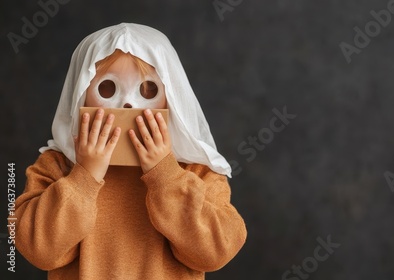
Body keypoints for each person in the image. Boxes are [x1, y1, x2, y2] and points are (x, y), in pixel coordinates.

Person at [15, 23, 247, 280]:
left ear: (170, 98)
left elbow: (215, 252)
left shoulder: (194, 168)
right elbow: (38, 251)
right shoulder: (58, 164)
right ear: (81, 96)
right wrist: (84, 176)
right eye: (107, 88)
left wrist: (166, 175)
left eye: (147, 90)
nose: (127, 104)